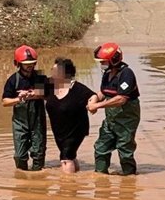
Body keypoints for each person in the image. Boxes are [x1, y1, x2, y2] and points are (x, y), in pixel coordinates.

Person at [87, 43, 141, 175]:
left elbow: (121, 99)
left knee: (125, 151)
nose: (102, 64)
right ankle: (100, 177)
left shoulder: (126, 74)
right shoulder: (107, 73)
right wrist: (94, 98)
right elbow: (104, 92)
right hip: (110, 119)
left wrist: (97, 106)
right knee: (101, 147)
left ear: (114, 59)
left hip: (126, 119)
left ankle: (129, 182)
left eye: (104, 61)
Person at [45, 58, 98, 174]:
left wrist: (92, 104)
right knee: (70, 155)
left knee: (66, 157)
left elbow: (93, 95)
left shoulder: (77, 88)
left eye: (55, 71)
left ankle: (67, 187)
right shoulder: (49, 86)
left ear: (65, 73)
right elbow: (35, 93)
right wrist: (26, 95)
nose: (52, 74)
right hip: (59, 130)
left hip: (76, 129)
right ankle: (75, 179)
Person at [2, 45, 47, 171]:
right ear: (18, 64)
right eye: (26, 64)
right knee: (20, 156)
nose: (30, 66)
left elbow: (50, 96)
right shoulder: (13, 80)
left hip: (37, 121)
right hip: (19, 123)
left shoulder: (40, 78)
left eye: (32, 63)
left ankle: (38, 183)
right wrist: (19, 98)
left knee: (38, 154)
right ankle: (22, 179)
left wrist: (34, 94)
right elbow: (5, 102)